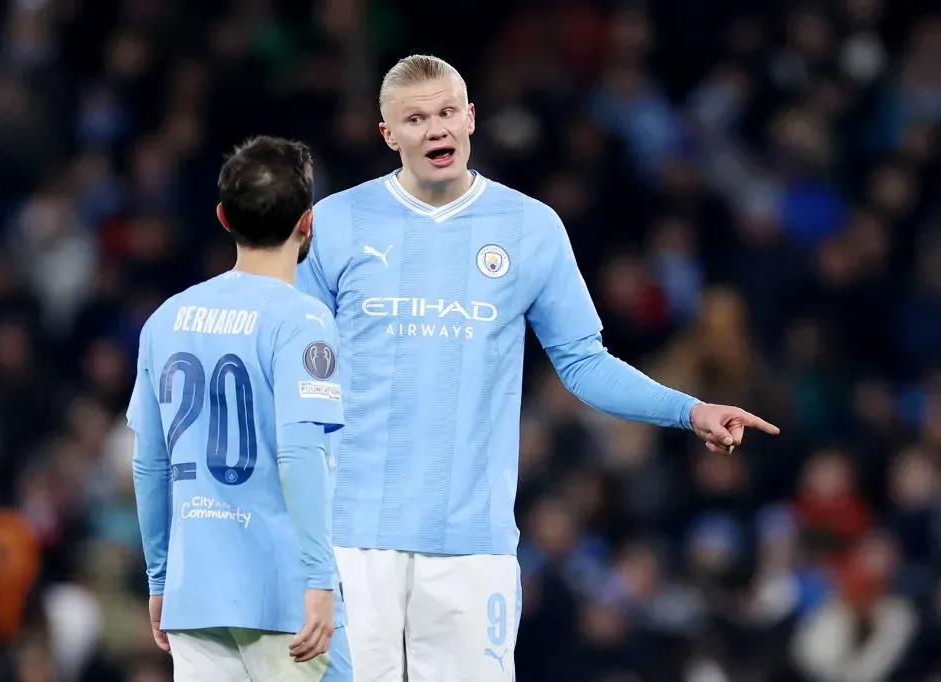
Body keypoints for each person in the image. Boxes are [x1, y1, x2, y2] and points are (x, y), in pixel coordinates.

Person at [296, 55, 779, 682]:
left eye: (446, 113)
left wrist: (689, 410)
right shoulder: (335, 223)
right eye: (415, 119)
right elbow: (300, 371)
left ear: (471, 118)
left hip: (473, 542)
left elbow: (582, 362)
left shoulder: (530, 228)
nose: (435, 129)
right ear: (388, 134)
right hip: (353, 537)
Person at [128, 135, 352, 681]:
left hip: (194, 593)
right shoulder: (303, 321)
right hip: (282, 595)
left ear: (223, 216)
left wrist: (160, 580)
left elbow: (149, 465)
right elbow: (300, 451)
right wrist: (319, 581)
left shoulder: (166, 319)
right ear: (308, 223)